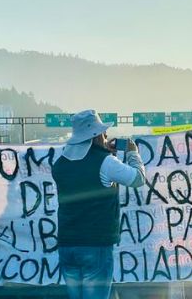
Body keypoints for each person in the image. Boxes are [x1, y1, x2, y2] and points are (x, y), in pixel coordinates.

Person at [50, 110, 147, 299]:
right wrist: (133, 153)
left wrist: (103, 152)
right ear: (95, 136)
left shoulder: (59, 164)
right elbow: (138, 178)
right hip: (95, 245)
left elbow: (81, 167)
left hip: (67, 245)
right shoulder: (105, 162)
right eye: (103, 133)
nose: (106, 136)